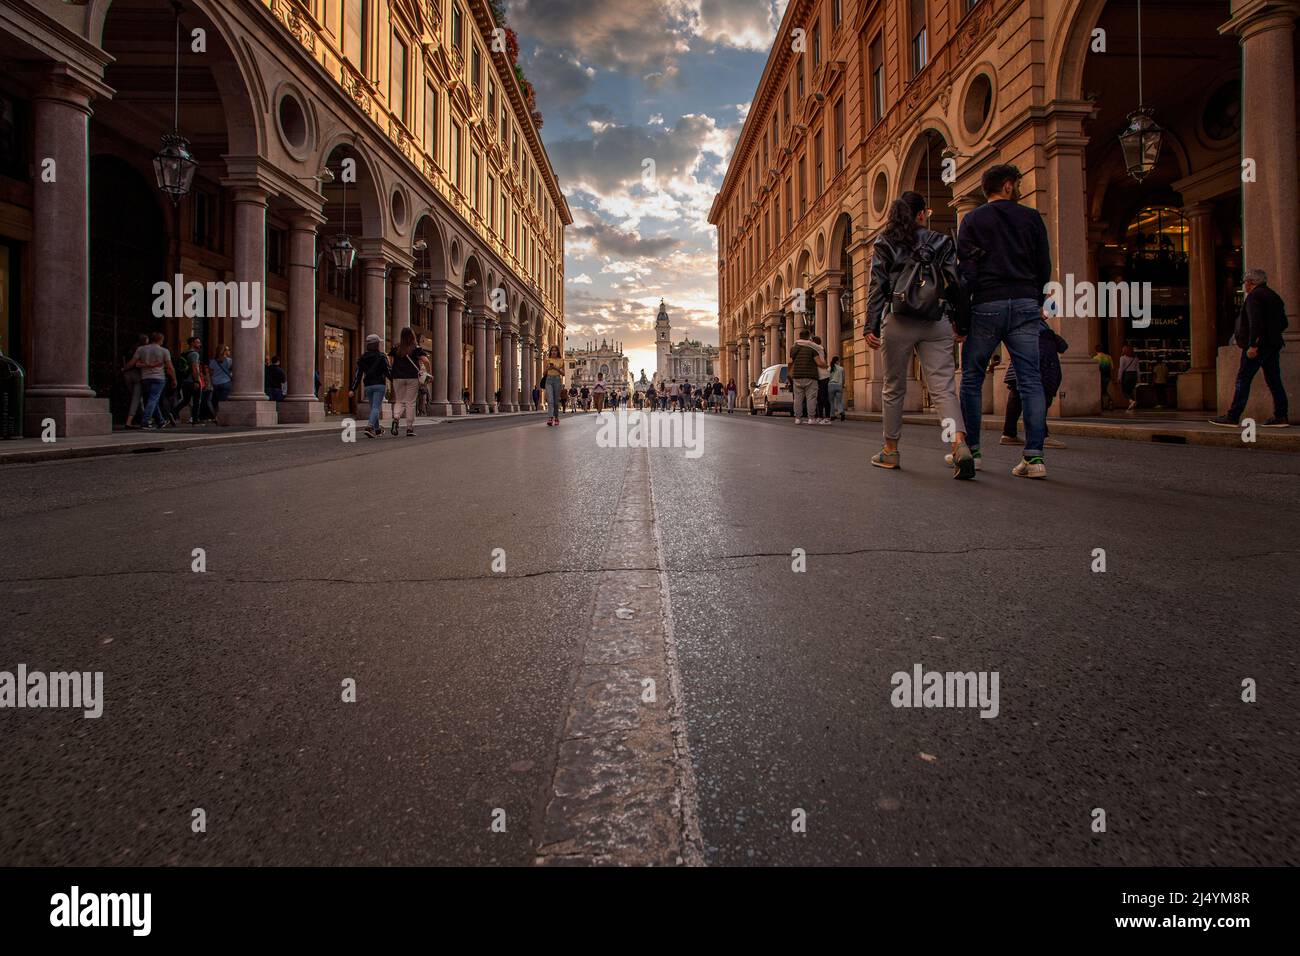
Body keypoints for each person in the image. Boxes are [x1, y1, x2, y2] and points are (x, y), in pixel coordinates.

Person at [865, 191, 974, 478]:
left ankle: (890, 451)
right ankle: (958, 444)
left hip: (899, 319)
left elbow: (877, 286)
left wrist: (871, 324)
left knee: (893, 388)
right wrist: (961, 323)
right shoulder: (941, 241)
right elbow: (955, 284)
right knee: (943, 388)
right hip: (935, 319)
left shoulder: (885, 242)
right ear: (923, 214)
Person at [956, 165, 1053, 479]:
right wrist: (1036, 300)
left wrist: (961, 317)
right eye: (1018, 183)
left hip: (986, 302)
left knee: (971, 377)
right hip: (1025, 302)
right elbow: (1044, 264)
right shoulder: (1031, 218)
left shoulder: (972, 220)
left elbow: (966, 273)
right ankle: (1034, 458)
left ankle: (974, 451)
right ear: (1009, 186)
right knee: (1030, 380)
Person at [1210, 268, 1290, 427]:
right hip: (1273, 345)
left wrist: (1253, 344)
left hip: (1257, 347)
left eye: (1245, 282)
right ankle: (1281, 415)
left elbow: (1255, 323)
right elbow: (1284, 323)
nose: (1244, 285)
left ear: (1251, 282)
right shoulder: (1274, 297)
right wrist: (1271, 335)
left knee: (1243, 379)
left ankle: (1233, 415)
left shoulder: (1254, 297)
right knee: (1274, 380)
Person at [1002, 318, 1067, 449]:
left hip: (1020, 363)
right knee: (1037, 398)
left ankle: (1009, 433)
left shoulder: (1021, 320)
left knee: (1016, 398)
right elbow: (1062, 346)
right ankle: (1041, 436)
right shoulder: (1041, 328)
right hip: (1038, 365)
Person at [125, 332, 177, 430]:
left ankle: (160, 421)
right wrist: (174, 379)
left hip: (145, 378)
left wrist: (124, 368)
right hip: (159, 378)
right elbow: (170, 367)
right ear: (161, 340)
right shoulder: (164, 351)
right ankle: (145, 422)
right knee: (153, 400)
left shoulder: (141, 349)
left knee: (152, 400)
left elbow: (132, 362)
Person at [389, 326, 430, 436]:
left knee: (399, 400)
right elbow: (426, 361)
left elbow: (391, 361)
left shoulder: (396, 348)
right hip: (412, 377)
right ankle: (409, 428)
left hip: (397, 377)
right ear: (412, 336)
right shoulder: (415, 348)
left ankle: (396, 419)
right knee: (410, 403)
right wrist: (427, 372)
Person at [348, 333, 391, 438]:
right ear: (377, 344)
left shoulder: (363, 358)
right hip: (379, 385)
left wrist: (353, 388)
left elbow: (358, 374)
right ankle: (369, 427)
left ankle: (377, 430)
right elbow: (387, 371)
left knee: (373, 407)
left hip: (368, 386)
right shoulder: (381, 356)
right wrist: (394, 381)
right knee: (376, 407)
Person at [788, 327, 824, 424]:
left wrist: (790, 373)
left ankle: (798, 418)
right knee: (811, 397)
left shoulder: (794, 348)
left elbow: (791, 361)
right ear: (808, 337)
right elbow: (819, 362)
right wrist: (826, 365)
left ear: (799, 337)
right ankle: (811, 418)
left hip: (797, 375)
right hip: (810, 376)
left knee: (798, 398)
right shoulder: (812, 348)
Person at [122, 334, 147, 428]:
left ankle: (141, 417)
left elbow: (125, 361)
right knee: (136, 398)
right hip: (138, 374)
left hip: (127, 374)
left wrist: (123, 369)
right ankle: (129, 421)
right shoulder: (142, 350)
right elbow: (135, 363)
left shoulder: (129, 349)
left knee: (133, 397)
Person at [207, 344, 232, 424]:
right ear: (224, 351)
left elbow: (210, 374)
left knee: (216, 402)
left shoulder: (212, 361)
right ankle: (222, 418)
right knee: (223, 402)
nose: (229, 351)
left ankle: (216, 416)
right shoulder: (229, 361)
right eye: (228, 350)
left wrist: (211, 383)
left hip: (215, 383)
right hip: (226, 383)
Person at [541, 345, 564, 426]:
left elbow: (563, 374)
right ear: (550, 352)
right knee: (550, 400)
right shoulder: (547, 360)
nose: (554, 352)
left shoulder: (561, 360)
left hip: (557, 380)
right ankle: (550, 418)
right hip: (549, 380)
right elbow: (544, 373)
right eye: (552, 350)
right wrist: (548, 369)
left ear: (558, 352)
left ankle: (556, 418)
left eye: (555, 350)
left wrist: (555, 368)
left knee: (555, 401)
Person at [1117, 344, 1140, 412]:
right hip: (1134, 375)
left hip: (1127, 375)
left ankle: (1131, 401)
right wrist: (1139, 378)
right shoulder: (1136, 358)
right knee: (1131, 390)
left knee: (1124, 391)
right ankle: (1132, 406)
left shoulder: (1122, 358)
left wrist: (1119, 377)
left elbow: (1121, 368)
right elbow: (1138, 369)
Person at [828, 357, 845, 422]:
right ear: (837, 361)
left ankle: (832, 416)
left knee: (831, 402)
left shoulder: (829, 368)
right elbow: (843, 378)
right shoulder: (841, 369)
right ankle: (841, 411)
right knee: (839, 401)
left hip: (831, 385)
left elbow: (828, 378)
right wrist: (842, 385)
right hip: (839, 385)